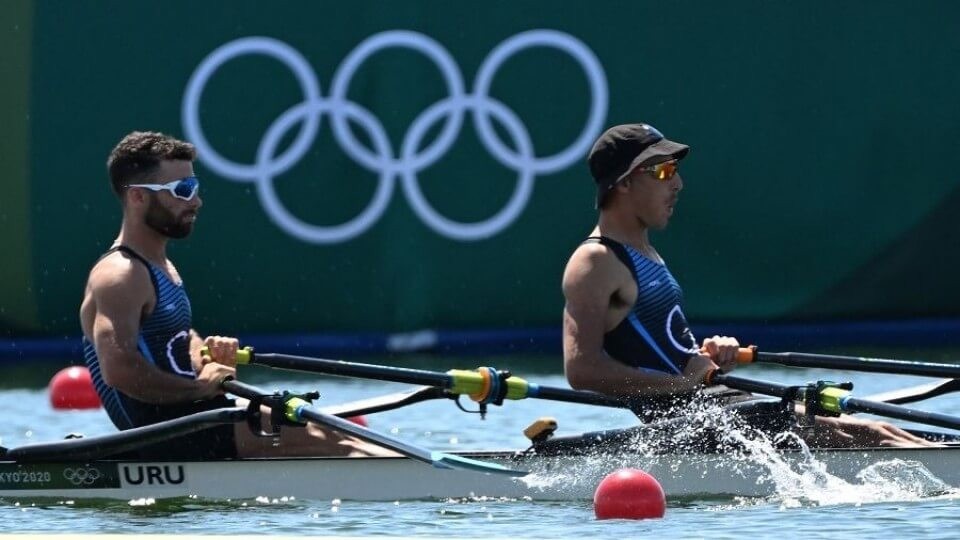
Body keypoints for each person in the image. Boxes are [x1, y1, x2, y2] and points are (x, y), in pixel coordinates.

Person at [561, 123, 934, 448]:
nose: (677, 183)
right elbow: (582, 370)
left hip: (721, 403)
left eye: (675, 170)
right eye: (663, 171)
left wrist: (707, 352)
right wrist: (682, 383)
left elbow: (661, 347)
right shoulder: (595, 262)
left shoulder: (644, 251)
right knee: (878, 435)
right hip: (693, 422)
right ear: (623, 183)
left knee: (885, 428)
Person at [79, 131, 387, 459]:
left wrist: (204, 354)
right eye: (182, 190)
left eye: (194, 188)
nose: (196, 201)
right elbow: (120, 369)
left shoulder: (159, 265)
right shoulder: (120, 275)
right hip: (167, 433)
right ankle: (433, 489)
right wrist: (199, 387)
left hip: (194, 416)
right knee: (338, 443)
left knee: (337, 430)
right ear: (138, 197)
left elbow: (172, 338)